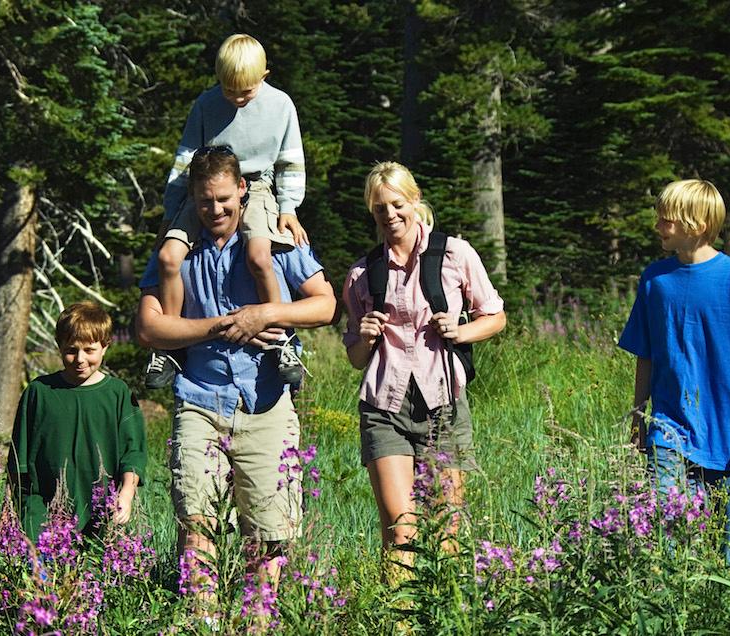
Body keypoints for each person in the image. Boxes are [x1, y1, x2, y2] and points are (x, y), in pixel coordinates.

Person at [135, 149, 335, 607]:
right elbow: (150, 328)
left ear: (242, 189)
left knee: (269, 533)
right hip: (199, 400)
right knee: (197, 521)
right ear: (193, 200)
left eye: (224, 198)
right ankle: (202, 618)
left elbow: (324, 305)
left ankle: (257, 620)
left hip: (265, 402)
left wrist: (265, 314)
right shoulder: (177, 250)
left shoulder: (272, 239)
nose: (216, 210)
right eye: (205, 202)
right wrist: (224, 326)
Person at [342, 161, 506, 576]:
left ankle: (440, 614)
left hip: (444, 402)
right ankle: (399, 620)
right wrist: (364, 338)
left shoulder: (454, 253)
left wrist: (461, 330)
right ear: (371, 212)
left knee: (445, 532)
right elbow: (356, 358)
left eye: (397, 204)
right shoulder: (363, 273)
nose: (390, 215)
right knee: (401, 531)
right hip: (384, 407)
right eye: (380, 208)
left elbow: (495, 315)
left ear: (415, 200)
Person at [618, 179, 730, 558]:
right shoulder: (654, 281)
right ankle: (679, 604)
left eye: (666, 220)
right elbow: (643, 354)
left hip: (727, 429)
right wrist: (637, 416)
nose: (657, 226)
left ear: (694, 225)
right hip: (668, 427)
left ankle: (729, 608)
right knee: (670, 526)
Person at [144, 33, 308, 390]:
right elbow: (185, 160)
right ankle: (171, 347)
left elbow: (290, 161)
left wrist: (288, 207)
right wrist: (171, 213)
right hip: (207, 185)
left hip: (257, 185)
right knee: (170, 257)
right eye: (228, 89)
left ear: (264, 76)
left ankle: (280, 339)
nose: (236, 98)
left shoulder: (281, 105)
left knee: (259, 254)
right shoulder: (205, 104)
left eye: (245, 92)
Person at [7, 302, 146, 541]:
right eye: (71, 350)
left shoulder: (117, 394)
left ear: (105, 346)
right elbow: (18, 460)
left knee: (95, 572)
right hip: (42, 510)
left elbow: (133, 453)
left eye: (89, 350)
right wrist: (14, 508)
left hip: (102, 508)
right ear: (59, 346)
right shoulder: (39, 392)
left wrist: (126, 493)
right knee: (41, 574)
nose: (80, 359)